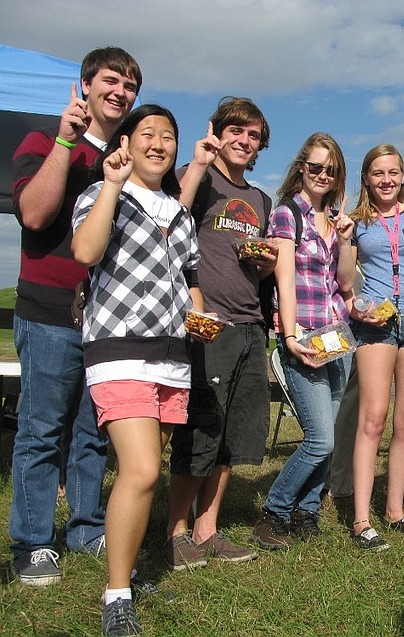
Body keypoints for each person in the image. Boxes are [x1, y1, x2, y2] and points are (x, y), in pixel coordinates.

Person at [9, 46, 141, 587]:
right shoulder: (44, 141)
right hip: (47, 312)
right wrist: (68, 140)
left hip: (106, 317)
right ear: (85, 85)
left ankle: (86, 528)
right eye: (111, 80)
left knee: (92, 431)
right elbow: (35, 214)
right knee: (42, 430)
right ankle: (33, 542)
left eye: (131, 85)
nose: (121, 91)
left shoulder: (127, 157)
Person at [71, 104, 203, 636]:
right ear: (126, 143)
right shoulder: (105, 193)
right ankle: (116, 594)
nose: (158, 143)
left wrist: (198, 310)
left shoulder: (178, 212)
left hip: (173, 356)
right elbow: (85, 250)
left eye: (168, 136)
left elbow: (189, 278)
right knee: (143, 469)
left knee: (142, 473)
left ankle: (122, 564)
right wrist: (110, 185)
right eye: (147, 133)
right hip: (118, 349)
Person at [165, 97, 274, 570]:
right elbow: (166, 221)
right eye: (236, 131)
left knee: (233, 435)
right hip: (208, 326)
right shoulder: (195, 175)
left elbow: (259, 267)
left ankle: (207, 529)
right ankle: (174, 532)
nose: (243, 141)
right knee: (200, 431)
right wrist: (199, 164)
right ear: (218, 131)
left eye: (253, 137)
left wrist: (265, 264)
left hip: (250, 324)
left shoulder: (261, 200)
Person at [251, 133, 355, 548]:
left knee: (327, 435)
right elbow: (285, 280)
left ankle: (307, 511)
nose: (322, 175)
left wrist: (345, 239)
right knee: (320, 437)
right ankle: (275, 511)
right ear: (301, 168)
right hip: (306, 334)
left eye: (331, 170)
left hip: (338, 336)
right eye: (315, 167)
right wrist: (289, 336)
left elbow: (344, 281)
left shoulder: (333, 218)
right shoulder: (286, 215)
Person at [347, 145, 404, 551]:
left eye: (393, 173)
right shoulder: (356, 222)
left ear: (403, 176)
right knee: (373, 418)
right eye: (377, 173)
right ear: (366, 178)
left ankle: (395, 511)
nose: (386, 180)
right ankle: (361, 519)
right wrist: (347, 243)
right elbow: (345, 279)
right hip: (376, 321)